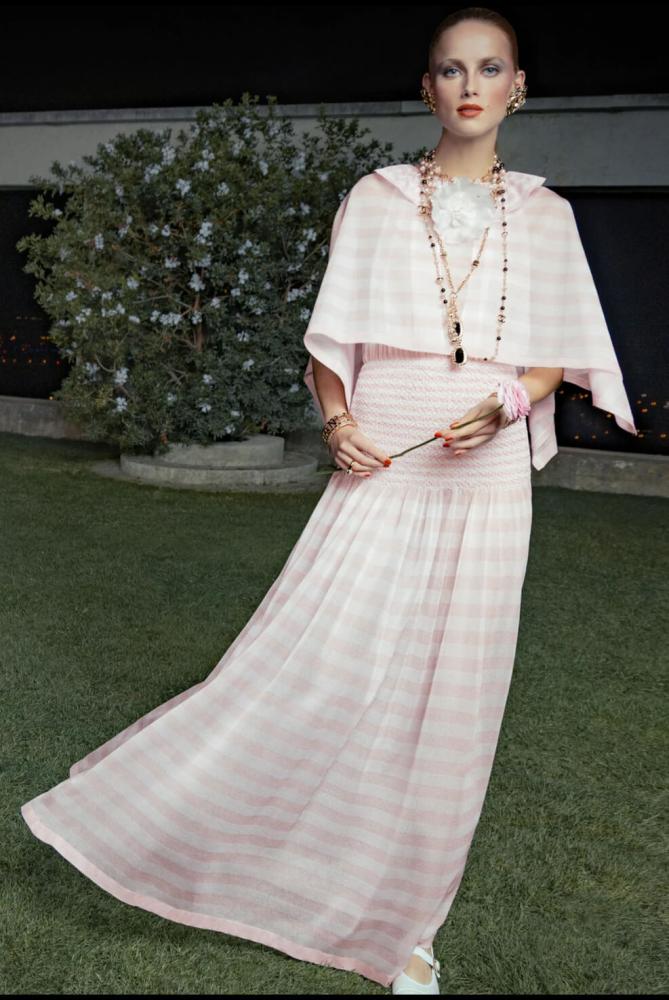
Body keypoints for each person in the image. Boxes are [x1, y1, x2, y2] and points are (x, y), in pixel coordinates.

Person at [20, 7, 637, 995]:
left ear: (518, 87)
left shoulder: (548, 216)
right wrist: (337, 419)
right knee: (309, 661)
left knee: (459, 698)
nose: (470, 86)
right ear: (426, 88)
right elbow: (333, 342)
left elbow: (551, 360)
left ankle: (410, 929)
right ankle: (181, 825)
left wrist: (507, 404)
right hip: (384, 453)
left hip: (484, 471)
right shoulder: (377, 198)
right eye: (450, 70)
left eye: (489, 69)